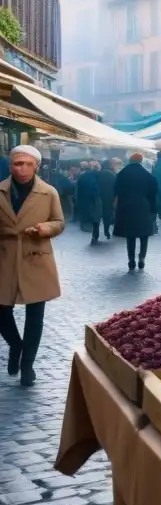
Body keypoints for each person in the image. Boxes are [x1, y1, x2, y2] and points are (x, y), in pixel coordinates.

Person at [0, 145, 65, 386]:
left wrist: (44, 229)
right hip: (4, 256)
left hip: (36, 256)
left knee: (35, 315)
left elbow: (59, 222)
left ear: (37, 166)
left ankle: (27, 364)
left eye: (28, 164)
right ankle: (16, 345)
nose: (23, 169)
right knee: (2, 309)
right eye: (18, 164)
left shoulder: (48, 193)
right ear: (10, 166)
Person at [113, 153, 158, 271]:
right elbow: (153, 194)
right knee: (144, 235)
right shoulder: (147, 175)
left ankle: (131, 259)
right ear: (141, 161)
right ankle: (142, 258)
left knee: (130, 235)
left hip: (126, 207)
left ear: (130, 161)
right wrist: (153, 210)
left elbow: (115, 191)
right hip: (143, 206)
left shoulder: (122, 174)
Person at [76, 161, 102, 244]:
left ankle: (86, 228)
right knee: (96, 217)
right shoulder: (99, 176)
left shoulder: (83, 176)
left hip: (84, 199)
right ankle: (94, 234)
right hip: (95, 198)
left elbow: (78, 189)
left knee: (86, 214)